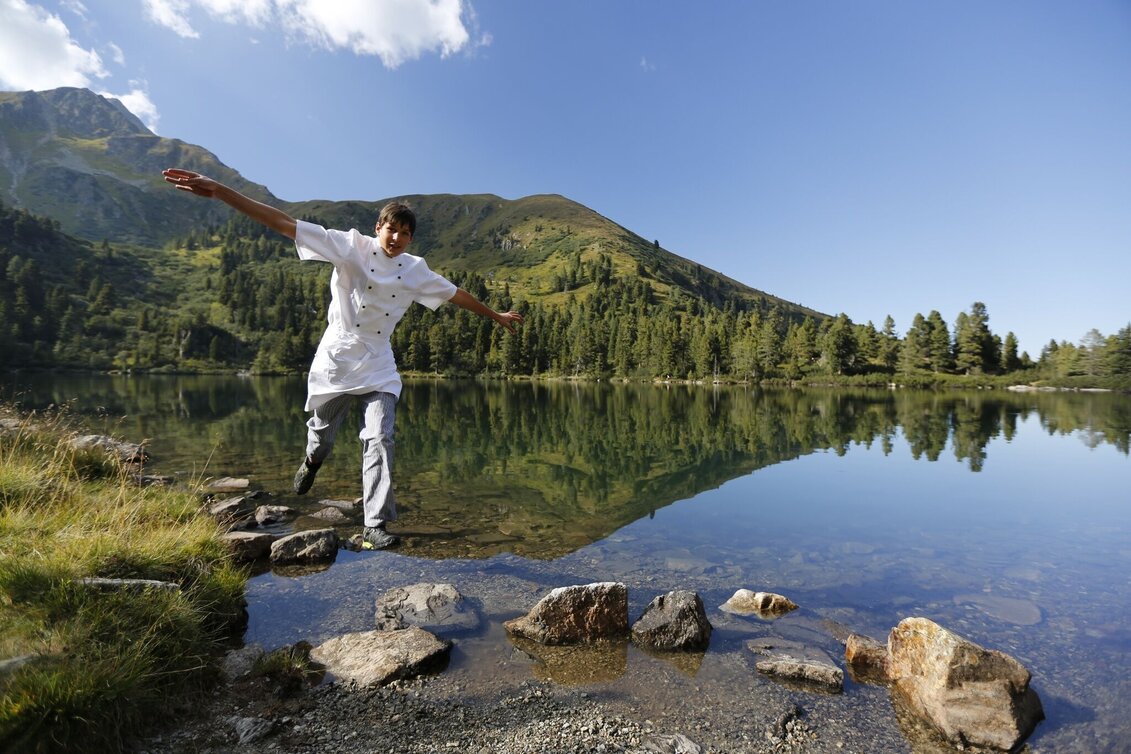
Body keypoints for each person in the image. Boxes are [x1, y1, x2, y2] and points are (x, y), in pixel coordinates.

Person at [162, 168, 523, 549]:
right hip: (337, 358)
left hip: (379, 362)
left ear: (411, 238)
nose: (397, 238)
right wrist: (221, 191)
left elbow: (456, 294)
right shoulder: (348, 246)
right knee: (322, 436)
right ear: (378, 227)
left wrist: (495, 316)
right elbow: (284, 223)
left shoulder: (415, 270)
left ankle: (375, 524)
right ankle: (312, 462)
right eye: (391, 230)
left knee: (380, 437)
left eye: (405, 233)